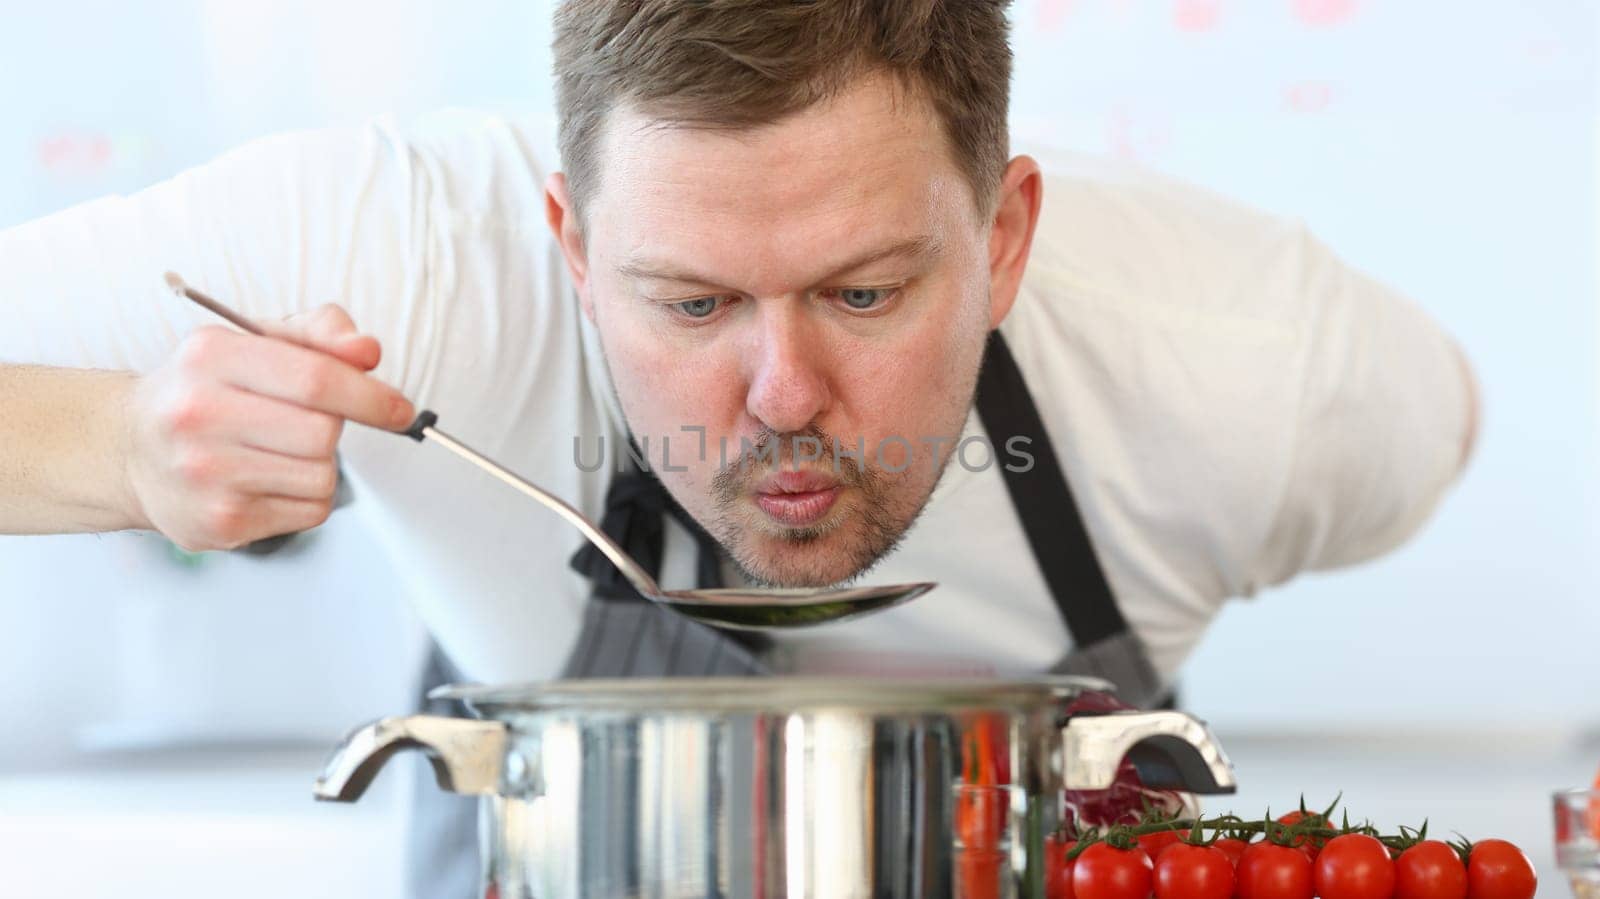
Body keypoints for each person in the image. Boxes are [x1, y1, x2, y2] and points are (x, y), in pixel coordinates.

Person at [0, 1, 1477, 895]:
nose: (781, 394)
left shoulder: (1264, 372)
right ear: (572, 245)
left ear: (1008, 238)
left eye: (867, 292)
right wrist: (118, 447)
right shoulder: (410, 252)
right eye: (692, 301)